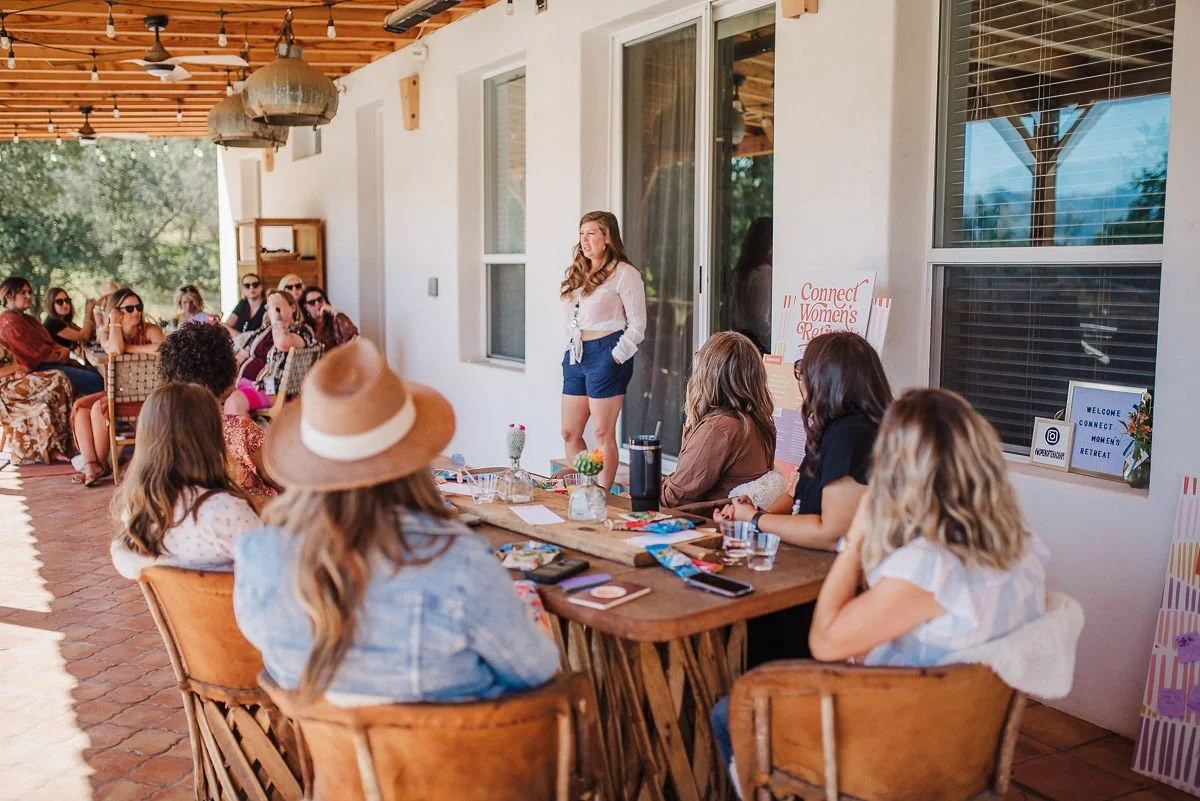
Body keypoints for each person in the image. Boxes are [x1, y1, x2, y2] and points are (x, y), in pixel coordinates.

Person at [711, 389, 1050, 774]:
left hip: (901, 747)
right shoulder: (1023, 550)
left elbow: (825, 642)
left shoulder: (930, 567)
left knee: (731, 713)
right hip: (972, 739)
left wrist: (856, 538)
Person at [233, 339, 560, 704]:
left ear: (309, 462)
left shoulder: (260, 556)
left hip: (321, 740)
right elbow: (536, 669)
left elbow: (276, 668)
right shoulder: (460, 563)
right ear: (414, 457)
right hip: (453, 741)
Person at [716, 331, 893, 667]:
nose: (801, 381)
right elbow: (796, 498)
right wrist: (752, 512)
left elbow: (830, 532)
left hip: (823, 585)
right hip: (802, 569)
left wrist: (757, 521)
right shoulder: (834, 429)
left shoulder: (851, 434)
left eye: (803, 370)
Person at [110, 383, 262, 579]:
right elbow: (275, 569)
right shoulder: (225, 512)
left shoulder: (136, 511)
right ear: (210, 439)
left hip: (176, 600)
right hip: (235, 599)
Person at [560, 211, 647, 491]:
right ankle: (584, 490)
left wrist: (614, 357)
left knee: (601, 433)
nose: (584, 241)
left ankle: (602, 494)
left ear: (607, 237)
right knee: (570, 432)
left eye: (591, 234)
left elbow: (638, 325)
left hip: (606, 351)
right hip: (576, 354)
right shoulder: (578, 273)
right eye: (581, 234)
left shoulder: (624, 274)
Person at [158, 322, 278, 502]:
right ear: (224, 369)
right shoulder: (237, 430)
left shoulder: (162, 431)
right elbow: (277, 478)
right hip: (249, 514)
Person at [660, 331, 775, 508]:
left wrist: (691, 419)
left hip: (704, 521)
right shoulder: (756, 422)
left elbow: (674, 499)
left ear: (708, 376)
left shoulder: (719, 428)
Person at [72, 288, 165, 486]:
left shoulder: (150, 330)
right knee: (80, 407)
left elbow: (164, 348)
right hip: (118, 394)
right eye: (129, 309)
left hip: (148, 396)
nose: (136, 312)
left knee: (98, 408)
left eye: (138, 307)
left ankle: (101, 466)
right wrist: (114, 323)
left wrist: (129, 348)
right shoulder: (107, 334)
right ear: (116, 312)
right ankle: (91, 465)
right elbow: (115, 348)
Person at [0, 276, 103, 396]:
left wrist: (62, 350)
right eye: (23, 293)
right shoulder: (9, 323)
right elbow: (35, 356)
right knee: (97, 381)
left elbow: (49, 342)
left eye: (29, 292)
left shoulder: (28, 318)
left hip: (53, 362)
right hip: (38, 369)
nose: (28, 296)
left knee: (97, 374)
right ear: (8, 297)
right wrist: (61, 353)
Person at [225, 290, 314, 417]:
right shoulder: (266, 330)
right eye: (269, 307)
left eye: (277, 306)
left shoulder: (301, 330)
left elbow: (282, 343)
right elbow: (244, 353)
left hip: (273, 390)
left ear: (293, 308)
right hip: (246, 384)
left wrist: (275, 317)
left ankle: (247, 431)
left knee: (234, 403)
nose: (271, 310)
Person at [0, 342, 73, 465]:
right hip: (3, 392)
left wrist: (17, 371)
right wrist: (15, 368)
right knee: (58, 377)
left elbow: (10, 361)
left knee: (52, 393)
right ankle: (58, 446)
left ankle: (58, 446)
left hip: (11, 381)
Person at [731, 217, 773, 354]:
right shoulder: (763, 273)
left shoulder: (741, 272)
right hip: (758, 344)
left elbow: (735, 314)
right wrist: (773, 345)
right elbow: (761, 320)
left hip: (742, 339)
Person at [299, 286, 358, 351]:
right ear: (306, 307)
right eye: (312, 302)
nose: (317, 304)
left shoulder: (335, 320)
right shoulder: (304, 326)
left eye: (320, 299)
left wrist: (333, 310)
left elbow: (352, 335)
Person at [42, 288, 97, 352]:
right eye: (59, 302)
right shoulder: (53, 323)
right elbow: (83, 337)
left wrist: (91, 312)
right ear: (51, 305)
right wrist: (88, 312)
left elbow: (89, 334)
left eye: (67, 300)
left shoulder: (63, 320)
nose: (65, 304)